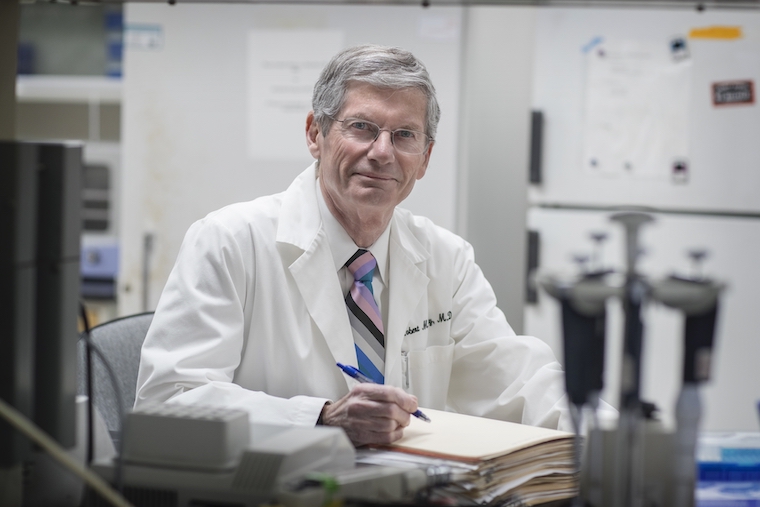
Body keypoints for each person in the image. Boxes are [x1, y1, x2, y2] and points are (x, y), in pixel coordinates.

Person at [134, 44, 571, 446]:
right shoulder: (230, 241)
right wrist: (319, 418)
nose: (382, 152)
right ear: (315, 135)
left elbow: (517, 382)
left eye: (404, 135)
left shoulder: (446, 259)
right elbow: (168, 402)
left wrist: (614, 437)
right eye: (362, 127)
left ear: (425, 158)